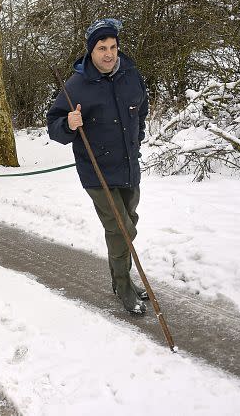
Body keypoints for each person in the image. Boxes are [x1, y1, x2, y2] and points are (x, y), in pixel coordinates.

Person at [47, 18, 150, 314]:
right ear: (91, 51)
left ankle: (121, 280)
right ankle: (123, 286)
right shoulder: (77, 85)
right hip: (97, 172)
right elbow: (53, 125)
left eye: (113, 47)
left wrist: (137, 138)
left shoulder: (131, 75)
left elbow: (141, 110)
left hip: (129, 166)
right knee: (121, 228)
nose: (108, 53)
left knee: (128, 223)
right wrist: (67, 123)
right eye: (102, 48)